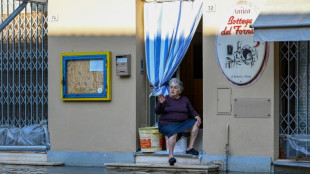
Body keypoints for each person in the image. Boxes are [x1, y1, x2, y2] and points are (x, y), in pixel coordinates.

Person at [155, 78, 201, 166]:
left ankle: (190, 147)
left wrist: (197, 116)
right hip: (166, 124)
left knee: (196, 122)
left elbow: (191, 110)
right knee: (173, 133)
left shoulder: (185, 99)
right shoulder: (165, 99)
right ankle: (171, 156)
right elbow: (157, 111)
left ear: (179, 91)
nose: (172, 89)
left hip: (181, 123)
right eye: (171, 87)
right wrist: (160, 103)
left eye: (175, 88)